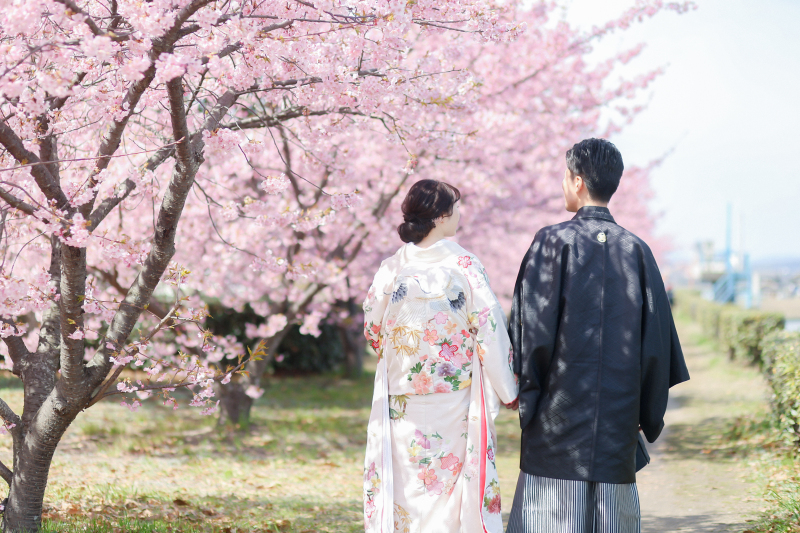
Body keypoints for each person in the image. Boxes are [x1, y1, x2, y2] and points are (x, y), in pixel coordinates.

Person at [506, 138, 690, 533]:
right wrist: (646, 411)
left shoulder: (551, 242)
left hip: (556, 411)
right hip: (617, 415)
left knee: (548, 519)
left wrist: (526, 391)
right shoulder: (637, 250)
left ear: (576, 181)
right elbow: (656, 344)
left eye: (564, 176)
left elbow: (531, 329)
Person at [362, 179, 518, 533]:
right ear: (442, 215)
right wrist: (507, 389)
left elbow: (373, 327)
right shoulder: (463, 263)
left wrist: (401, 355)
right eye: (456, 206)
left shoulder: (392, 267)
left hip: (402, 397)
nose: (460, 213)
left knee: (406, 484)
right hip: (452, 397)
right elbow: (489, 329)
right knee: (448, 485)